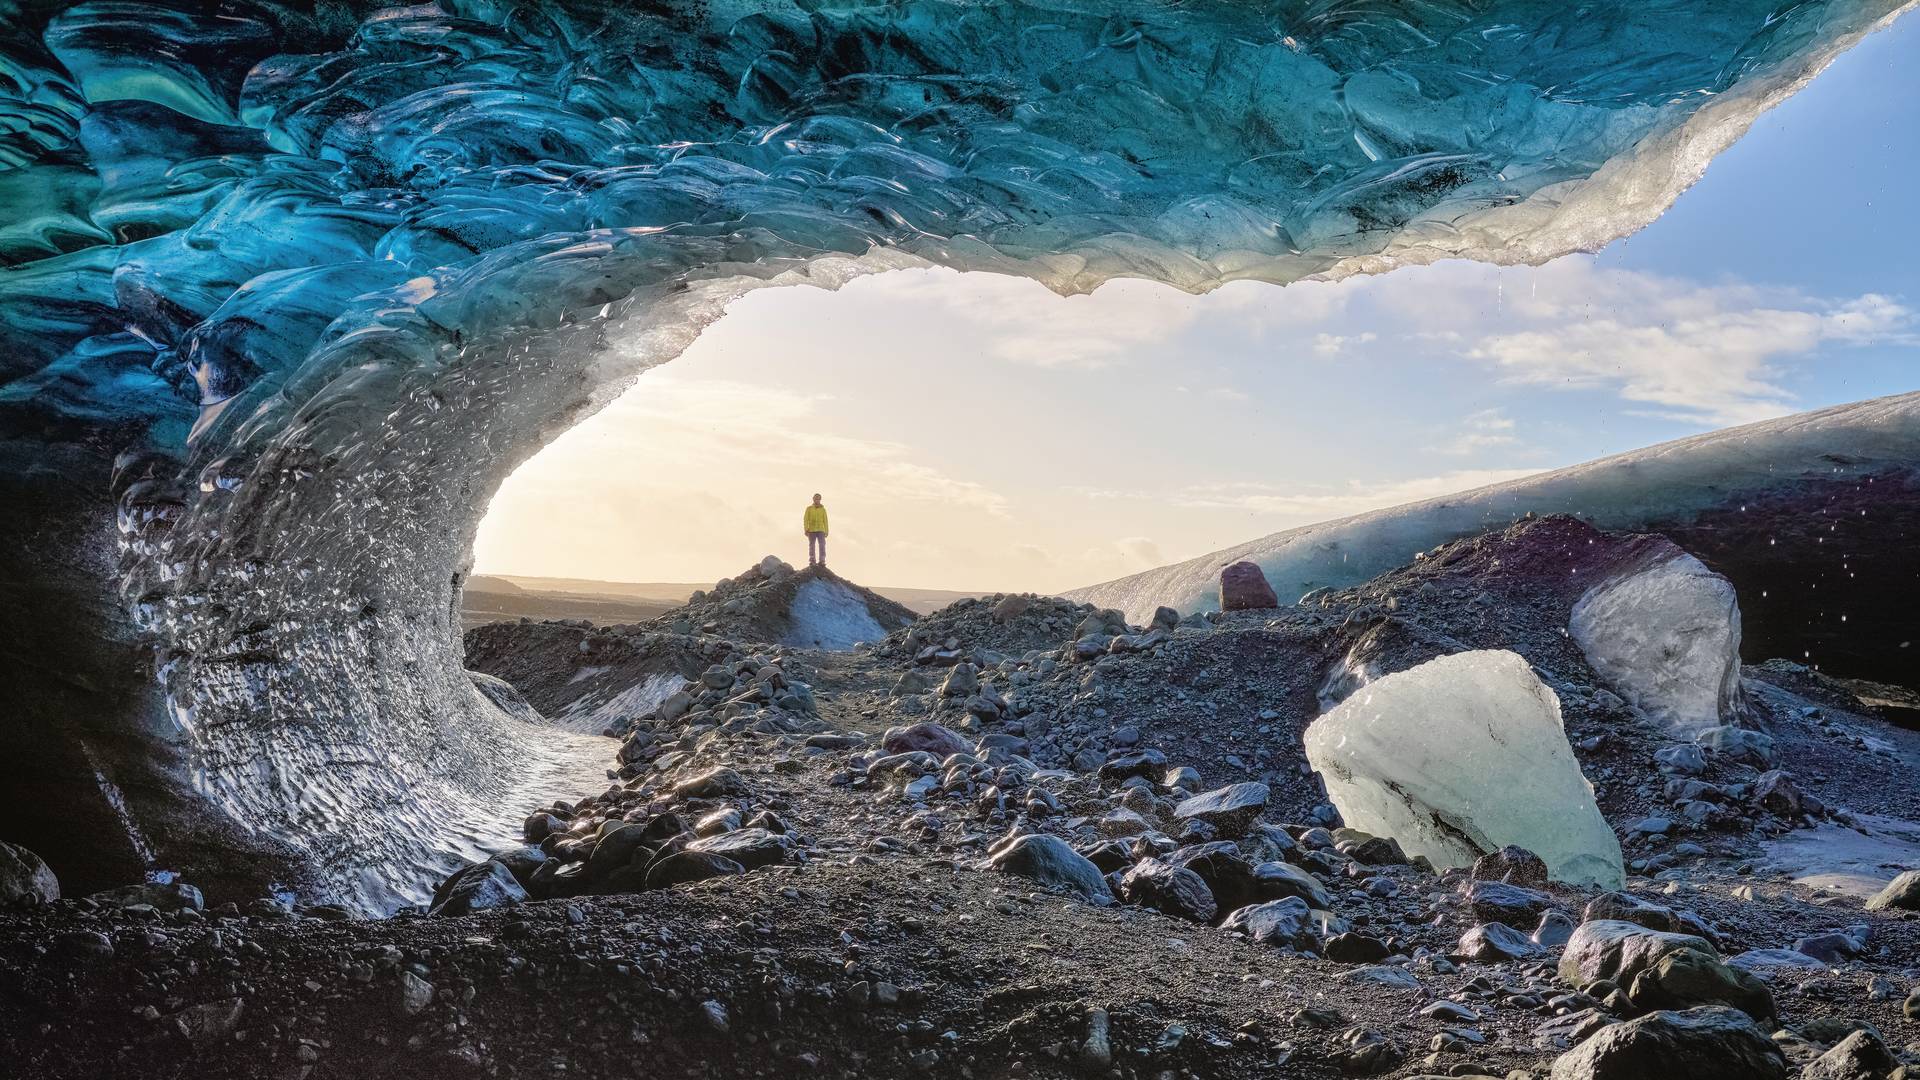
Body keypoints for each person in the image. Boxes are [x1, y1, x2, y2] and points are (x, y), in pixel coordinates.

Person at [802, 493, 829, 567]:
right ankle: (812, 560)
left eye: (818, 498)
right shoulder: (809, 508)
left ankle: (822, 561)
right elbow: (805, 519)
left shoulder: (823, 510)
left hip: (821, 530)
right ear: (813, 499)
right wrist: (806, 529)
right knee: (812, 546)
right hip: (811, 530)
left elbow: (825, 521)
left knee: (822, 545)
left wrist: (826, 531)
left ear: (820, 499)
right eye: (815, 498)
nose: (817, 500)